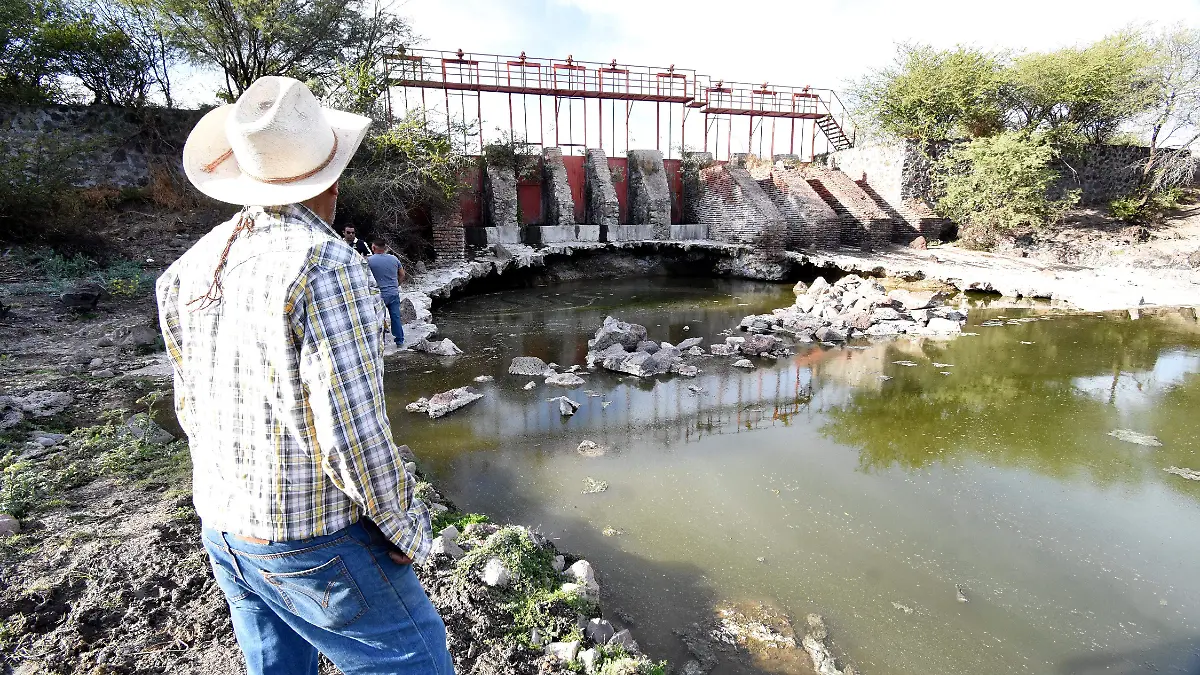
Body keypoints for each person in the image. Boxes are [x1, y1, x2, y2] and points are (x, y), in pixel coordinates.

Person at [156, 75, 454, 675]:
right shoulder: (326, 266)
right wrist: (405, 530)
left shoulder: (192, 265)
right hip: (315, 542)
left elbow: (190, 407)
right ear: (333, 177)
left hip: (227, 528)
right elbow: (351, 432)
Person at [367, 239, 406, 347]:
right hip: (393, 293)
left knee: (379, 319)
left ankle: (381, 343)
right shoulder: (394, 259)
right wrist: (396, 285)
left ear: (373, 248)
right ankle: (399, 341)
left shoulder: (369, 261)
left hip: (379, 295)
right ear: (385, 248)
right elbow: (402, 274)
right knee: (395, 317)